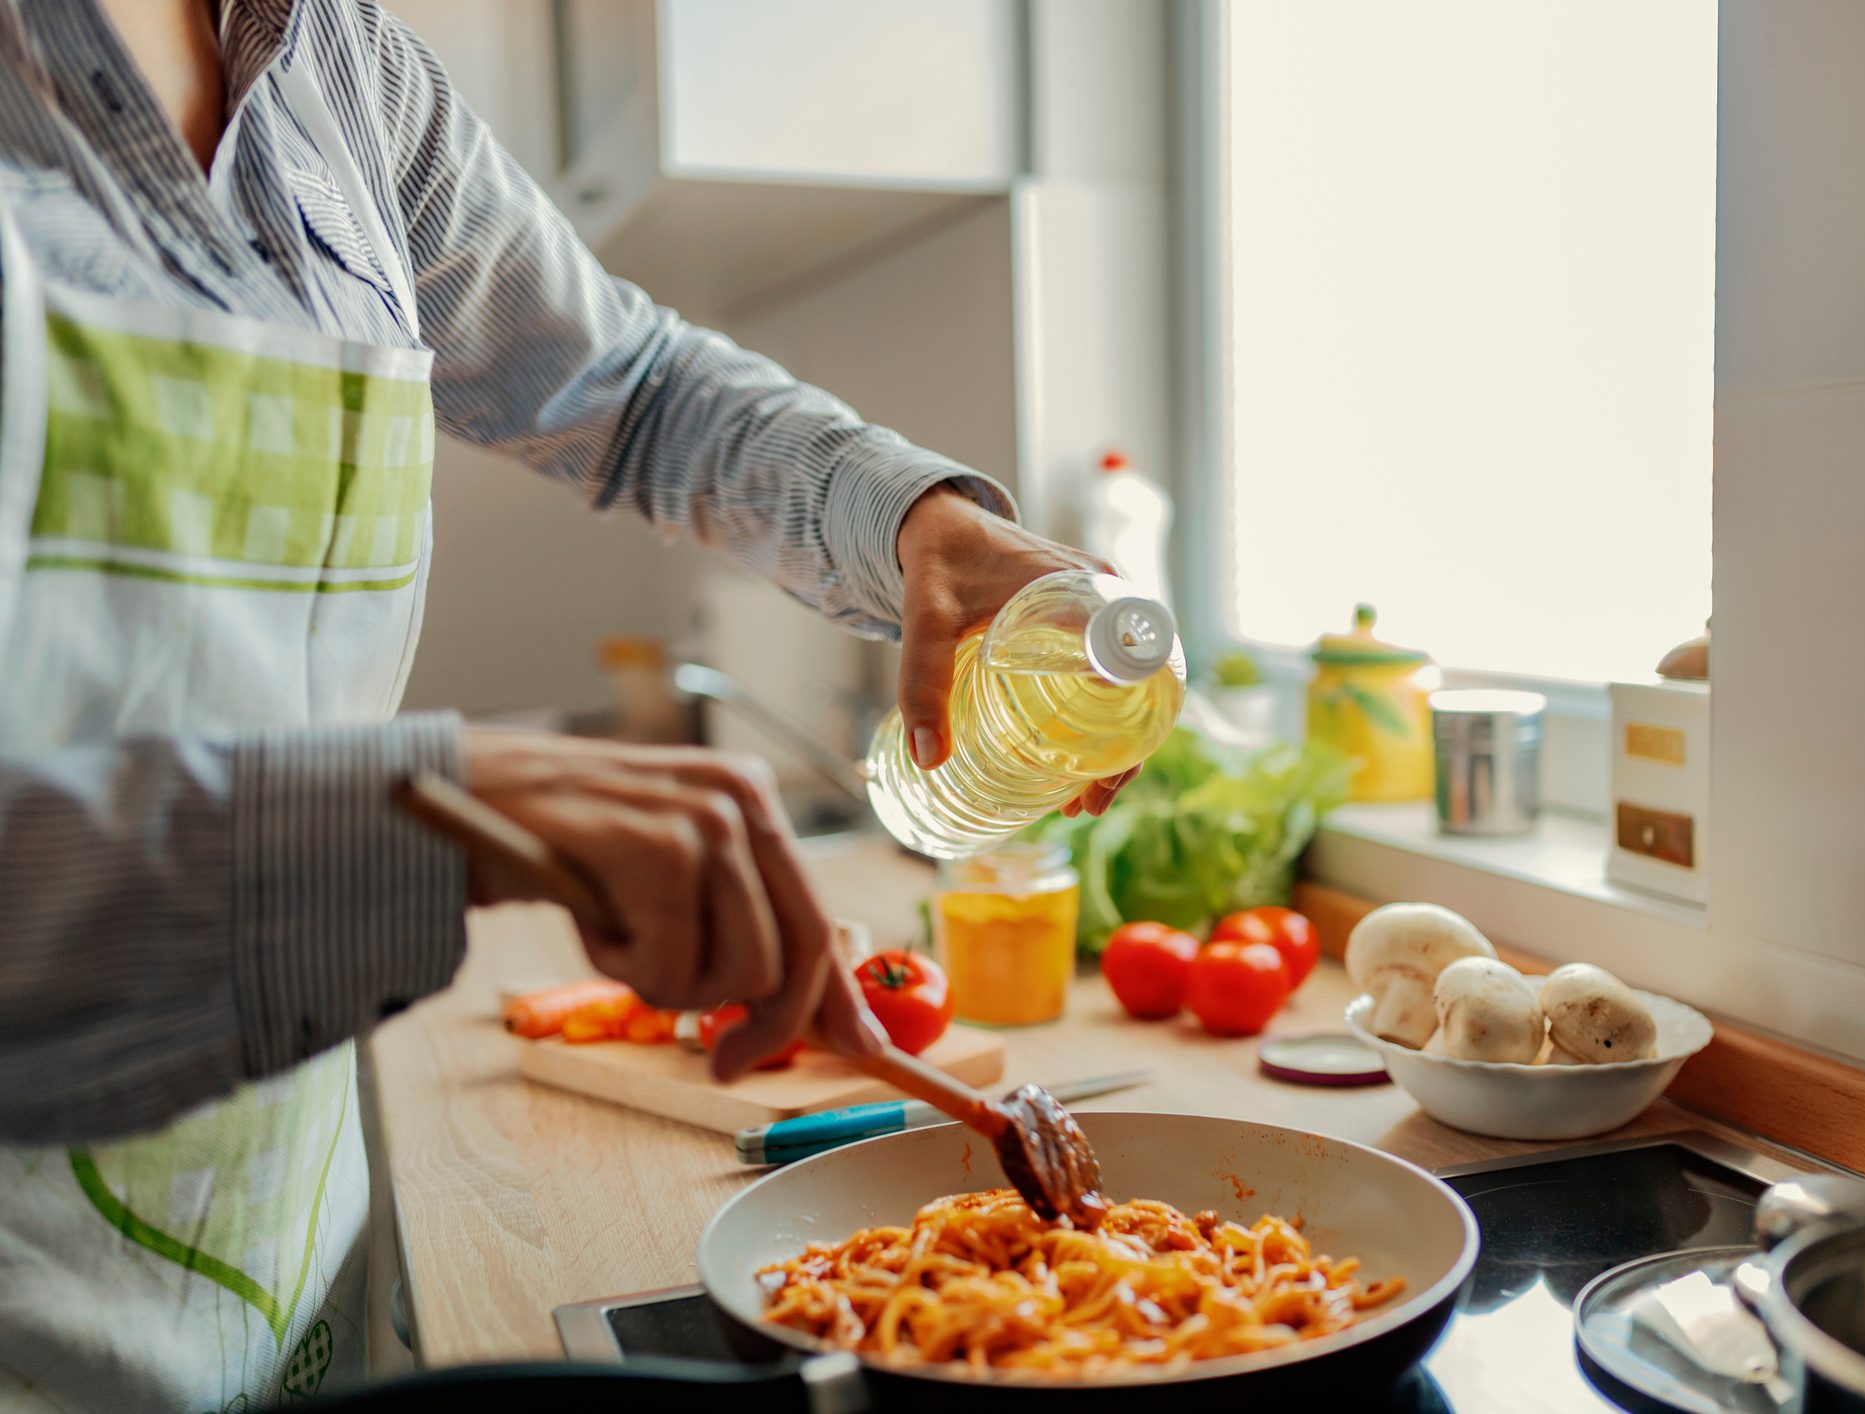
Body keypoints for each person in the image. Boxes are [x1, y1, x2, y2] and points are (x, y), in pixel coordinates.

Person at [0, 2, 1135, 1407]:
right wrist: (407, 818)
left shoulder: (338, 65)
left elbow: (633, 388)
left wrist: (911, 516)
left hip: (283, 1246)